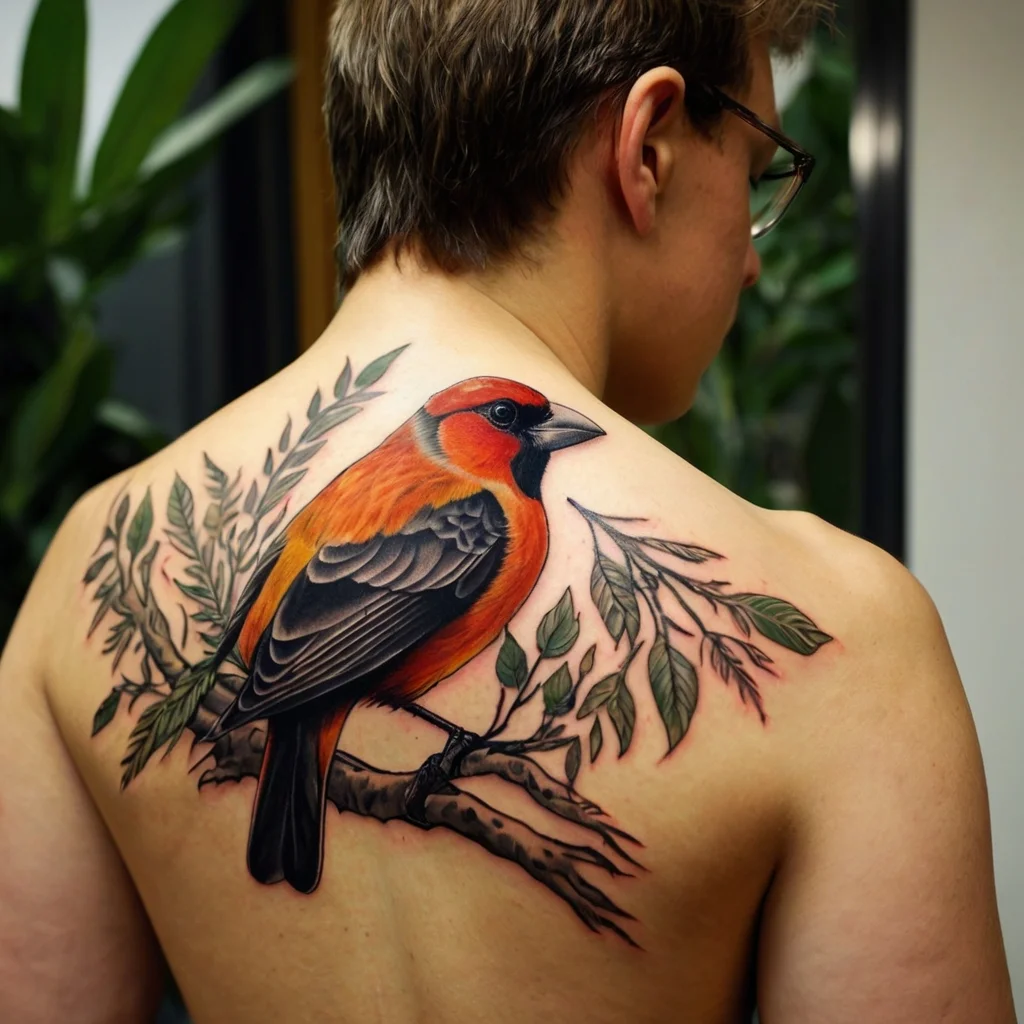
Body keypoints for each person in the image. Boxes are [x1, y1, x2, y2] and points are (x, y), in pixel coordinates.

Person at [0, 0, 1015, 1020]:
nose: (752, 258)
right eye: (754, 184)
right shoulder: (842, 641)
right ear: (649, 147)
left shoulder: (80, 579)